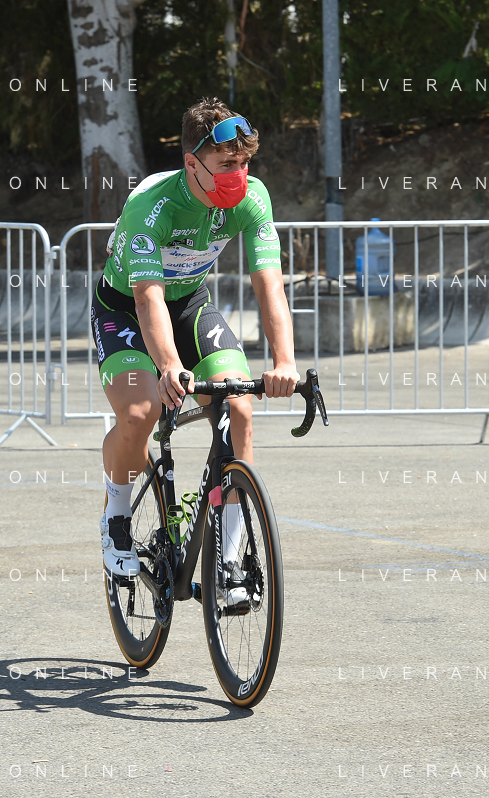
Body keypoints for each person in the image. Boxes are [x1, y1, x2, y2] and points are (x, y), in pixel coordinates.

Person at [91, 98, 299, 602]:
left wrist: (284, 362)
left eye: (244, 162)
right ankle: (116, 515)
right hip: (125, 309)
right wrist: (168, 366)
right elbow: (147, 297)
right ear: (192, 163)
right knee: (140, 412)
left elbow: (270, 286)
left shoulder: (253, 197)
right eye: (227, 163)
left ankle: (228, 559)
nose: (239, 174)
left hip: (189, 305)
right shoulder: (151, 206)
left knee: (239, 408)